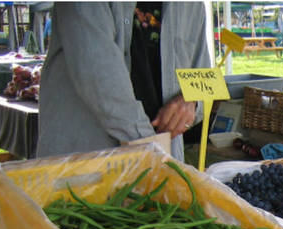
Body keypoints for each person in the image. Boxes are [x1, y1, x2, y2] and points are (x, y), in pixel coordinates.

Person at [37, 2, 211, 162]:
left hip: (159, 156)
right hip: (86, 157)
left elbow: (204, 78)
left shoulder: (191, 5)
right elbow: (99, 77)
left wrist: (192, 102)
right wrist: (151, 144)